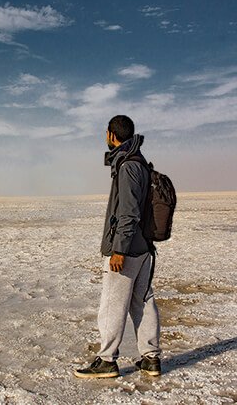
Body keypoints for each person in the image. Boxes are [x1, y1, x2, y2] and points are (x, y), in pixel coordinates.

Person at [74, 115, 161, 378]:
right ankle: (150, 358)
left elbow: (128, 213)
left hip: (129, 249)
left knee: (113, 303)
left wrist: (119, 250)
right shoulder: (140, 162)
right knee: (142, 301)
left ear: (112, 135)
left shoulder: (127, 166)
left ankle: (107, 360)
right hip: (144, 247)